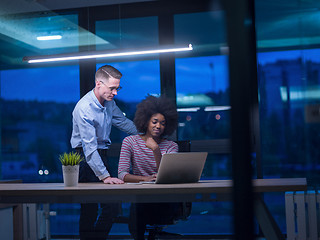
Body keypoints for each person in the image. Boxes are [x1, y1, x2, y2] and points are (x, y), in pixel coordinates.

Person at [70, 64, 137, 240]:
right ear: (99, 83)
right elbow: (89, 149)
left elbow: (122, 122)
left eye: (118, 88)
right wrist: (105, 177)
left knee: (112, 207)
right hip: (85, 158)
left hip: (102, 155)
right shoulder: (84, 108)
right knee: (90, 209)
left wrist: (144, 132)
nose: (116, 93)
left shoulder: (109, 103)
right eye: (112, 88)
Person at [118, 95, 181, 240]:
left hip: (165, 199)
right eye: (154, 122)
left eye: (163, 123)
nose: (158, 126)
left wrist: (156, 150)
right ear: (146, 121)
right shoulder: (130, 142)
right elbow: (122, 174)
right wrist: (145, 178)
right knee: (138, 212)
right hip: (141, 197)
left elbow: (167, 175)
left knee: (144, 211)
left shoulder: (172, 146)